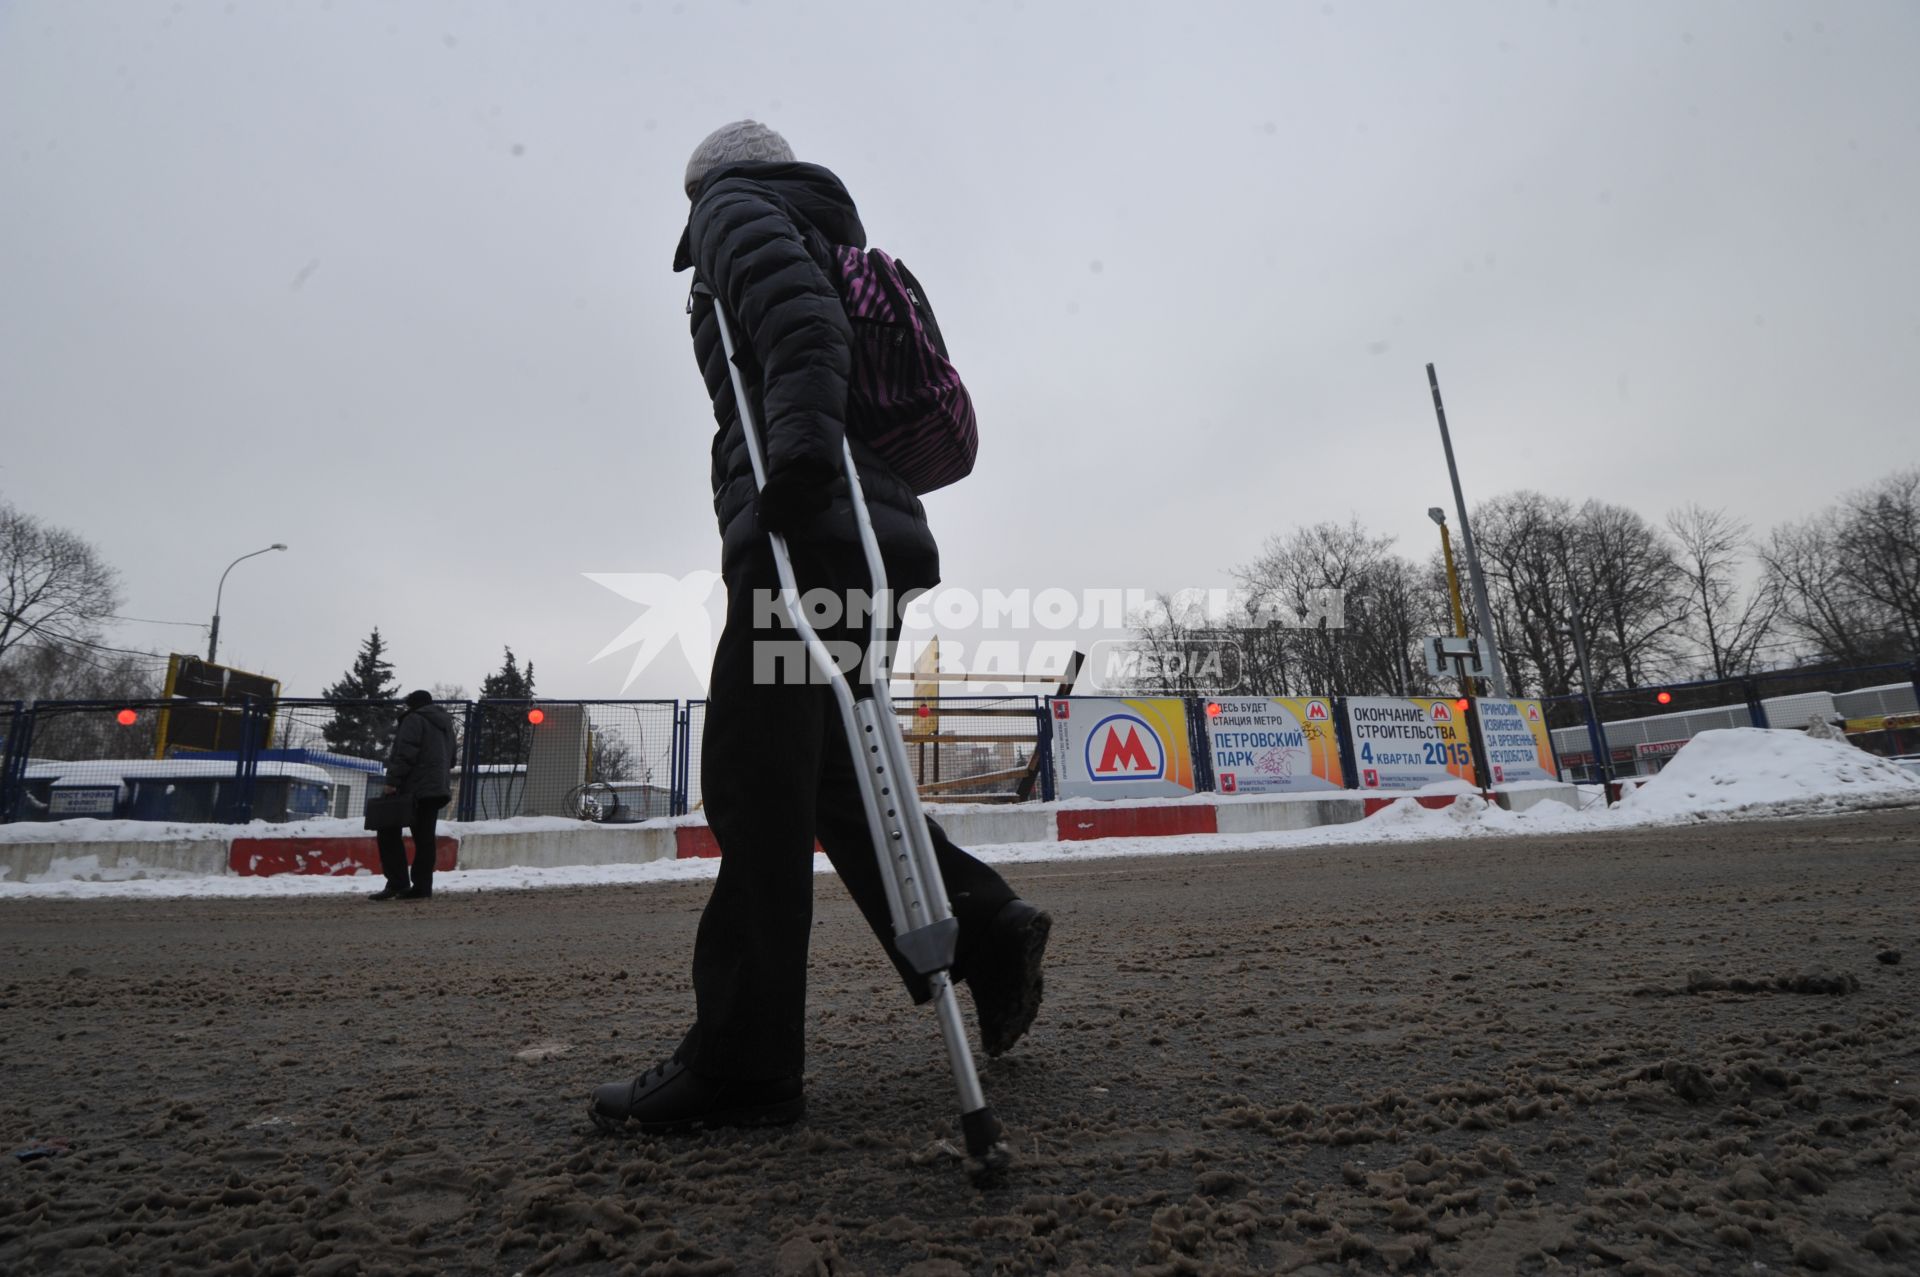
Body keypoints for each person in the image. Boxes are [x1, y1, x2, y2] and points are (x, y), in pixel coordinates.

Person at [589, 121, 1052, 1134]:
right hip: (867, 532)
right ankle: (984, 928)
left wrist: (791, 470)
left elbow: (802, 330)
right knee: (836, 779)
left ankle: (745, 1063)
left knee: (756, 786)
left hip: (806, 529)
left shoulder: (733, 208)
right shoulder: (818, 220)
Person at [369, 689, 456, 902]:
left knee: (387, 831)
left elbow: (405, 753)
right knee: (425, 840)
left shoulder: (414, 719)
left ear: (413, 704)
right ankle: (422, 887)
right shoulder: (446, 726)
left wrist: (392, 782)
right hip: (436, 790)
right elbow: (452, 760)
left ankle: (397, 883)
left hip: (412, 789)